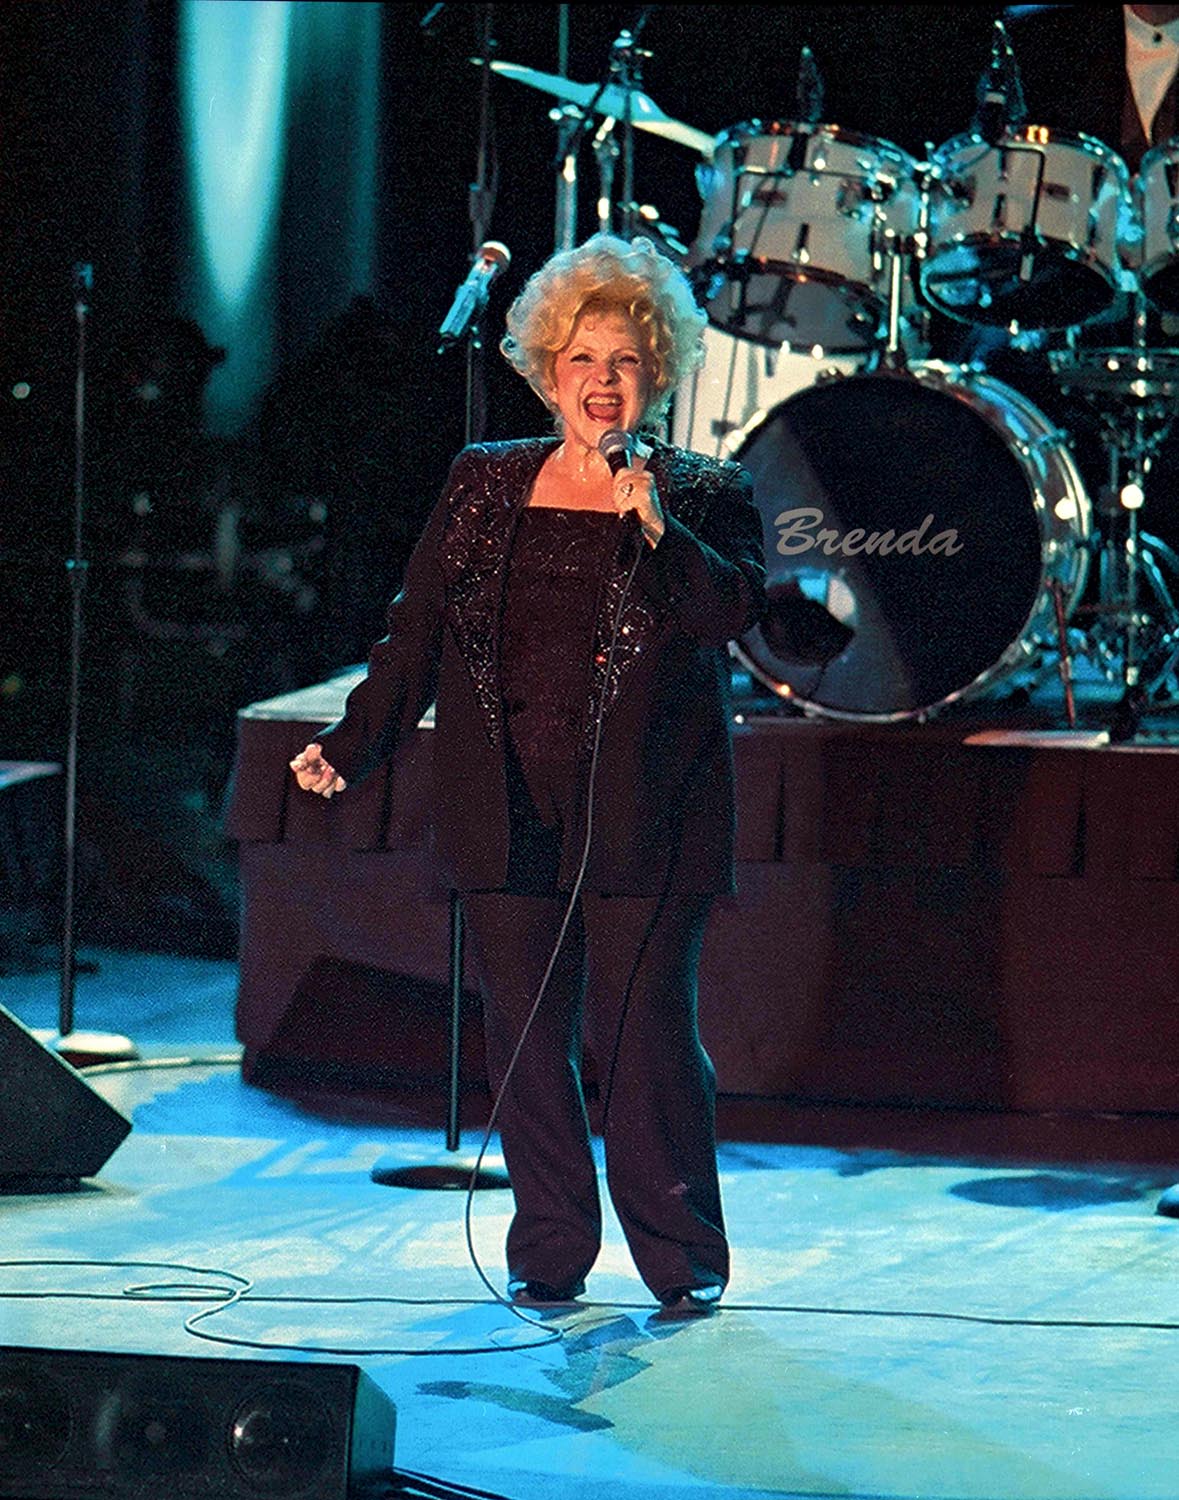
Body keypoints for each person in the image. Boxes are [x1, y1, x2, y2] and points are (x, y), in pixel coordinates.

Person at [289, 233, 767, 1312]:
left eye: (627, 361)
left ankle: (682, 1259)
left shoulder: (705, 489)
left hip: (652, 809)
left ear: (660, 372)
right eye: (583, 360)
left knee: (644, 1040)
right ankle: (550, 1249)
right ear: (548, 370)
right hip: (504, 799)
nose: (604, 383)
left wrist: (660, 525)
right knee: (527, 1038)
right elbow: (414, 632)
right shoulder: (482, 483)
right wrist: (353, 743)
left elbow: (733, 612)